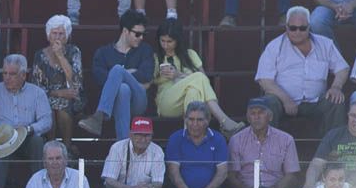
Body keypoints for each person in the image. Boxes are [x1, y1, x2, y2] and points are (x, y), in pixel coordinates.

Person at [255, 6, 349, 136]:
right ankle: (266, 150)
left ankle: (333, 149)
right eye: (293, 28)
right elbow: (265, 80)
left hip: (316, 101)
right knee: (267, 103)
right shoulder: (274, 47)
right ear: (286, 27)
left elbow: (342, 68)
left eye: (302, 28)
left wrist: (336, 87)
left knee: (336, 100)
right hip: (282, 101)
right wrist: (286, 100)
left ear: (309, 27)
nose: (297, 32)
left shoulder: (325, 44)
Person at [152, 18, 244, 135]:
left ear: (178, 40)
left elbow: (204, 80)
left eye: (169, 41)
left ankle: (190, 134)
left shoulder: (190, 54)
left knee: (194, 91)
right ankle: (224, 120)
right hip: (167, 102)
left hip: (188, 102)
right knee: (198, 77)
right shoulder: (156, 58)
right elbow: (148, 80)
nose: (165, 45)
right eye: (162, 41)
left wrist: (178, 75)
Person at [0, 54, 50, 188]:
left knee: (37, 141)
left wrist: (28, 129)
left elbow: (46, 120)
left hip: (26, 139)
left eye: (12, 74)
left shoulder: (37, 93)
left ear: (23, 75)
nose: (7, 77)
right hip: (1, 142)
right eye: (4, 73)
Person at [226, 96, 301, 188]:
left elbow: (291, 175)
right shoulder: (236, 140)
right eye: (253, 113)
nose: (256, 117)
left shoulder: (286, 139)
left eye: (261, 112)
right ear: (248, 117)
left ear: (270, 116)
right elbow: (232, 175)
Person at [79, 11, 154, 141]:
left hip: (139, 100)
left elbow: (146, 75)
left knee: (117, 70)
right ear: (125, 31)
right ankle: (123, 146)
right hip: (115, 102)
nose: (141, 37)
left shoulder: (145, 50)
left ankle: (99, 116)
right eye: (137, 34)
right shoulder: (103, 53)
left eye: (143, 34)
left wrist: (120, 75)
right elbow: (100, 78)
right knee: (123, 89)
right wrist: (128, 74)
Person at [165, 101, 229, 188]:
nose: (195, 124)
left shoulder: (218, 139)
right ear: (185, 119)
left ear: (208, 120)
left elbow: (222, 173)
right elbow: (173, 174)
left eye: (200, 120)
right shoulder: (176, 138)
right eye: (191, 119)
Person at [32, 15, 85, 156]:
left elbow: (76, 82)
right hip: (47, 96)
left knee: (62, 105)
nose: (57, 37)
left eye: (61, 34)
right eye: (54, 33)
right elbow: (37, 87)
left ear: (67, 36)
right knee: (48, 106)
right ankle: (50, 148)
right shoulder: (39, 55)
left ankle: (66, 149)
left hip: (71, 98)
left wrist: (61, 56)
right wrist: (59, 92)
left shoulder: (74, 52)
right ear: (48, 35)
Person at [100, 116, 167, 188]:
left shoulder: (157, 151)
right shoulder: (117, 148)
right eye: (138, 134)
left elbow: (158, 182)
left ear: (152, 136)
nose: (143, 139)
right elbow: (109, 180)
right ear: (131, 135)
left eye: (147, 135)